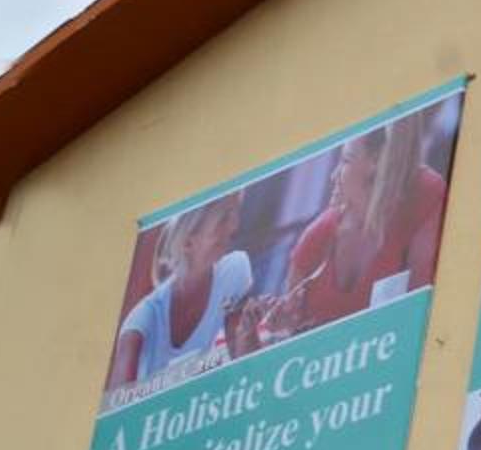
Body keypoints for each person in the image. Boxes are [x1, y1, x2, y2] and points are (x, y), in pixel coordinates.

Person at [274, 121, 447, 331]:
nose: (333, 176)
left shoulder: (425, 193)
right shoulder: (315, 239)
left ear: (376, 162)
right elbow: (286, 331)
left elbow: (421, 311)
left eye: (346, 160)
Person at [112, 192, 255, 390]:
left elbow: (243, 361)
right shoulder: (143, 319)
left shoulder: (234, 271)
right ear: (188, 243)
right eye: (224, 218)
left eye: (234, 214)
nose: (234, 225)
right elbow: (118, 401)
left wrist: (249, 332)